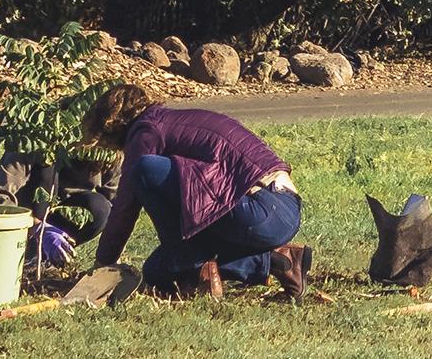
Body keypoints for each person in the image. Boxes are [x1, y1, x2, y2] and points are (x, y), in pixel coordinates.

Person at [79, 84, 313, 299]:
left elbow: (125, 206)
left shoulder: (146, 131)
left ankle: (190, 264)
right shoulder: (174, 121)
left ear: (111, 125)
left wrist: (104, 262)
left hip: (260, 209)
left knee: (143, 170)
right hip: (285, 209)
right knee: (155, 272)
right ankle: (282, 261)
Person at [0, 149, 121, 267]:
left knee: (100, 208)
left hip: (60, 214)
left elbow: (118, 207)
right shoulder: (37, 136)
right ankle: (25, 254)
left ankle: (45, 259)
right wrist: (37, 227)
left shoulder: (108, 147)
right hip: (20, 218)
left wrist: (110, 259)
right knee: (46, 169)